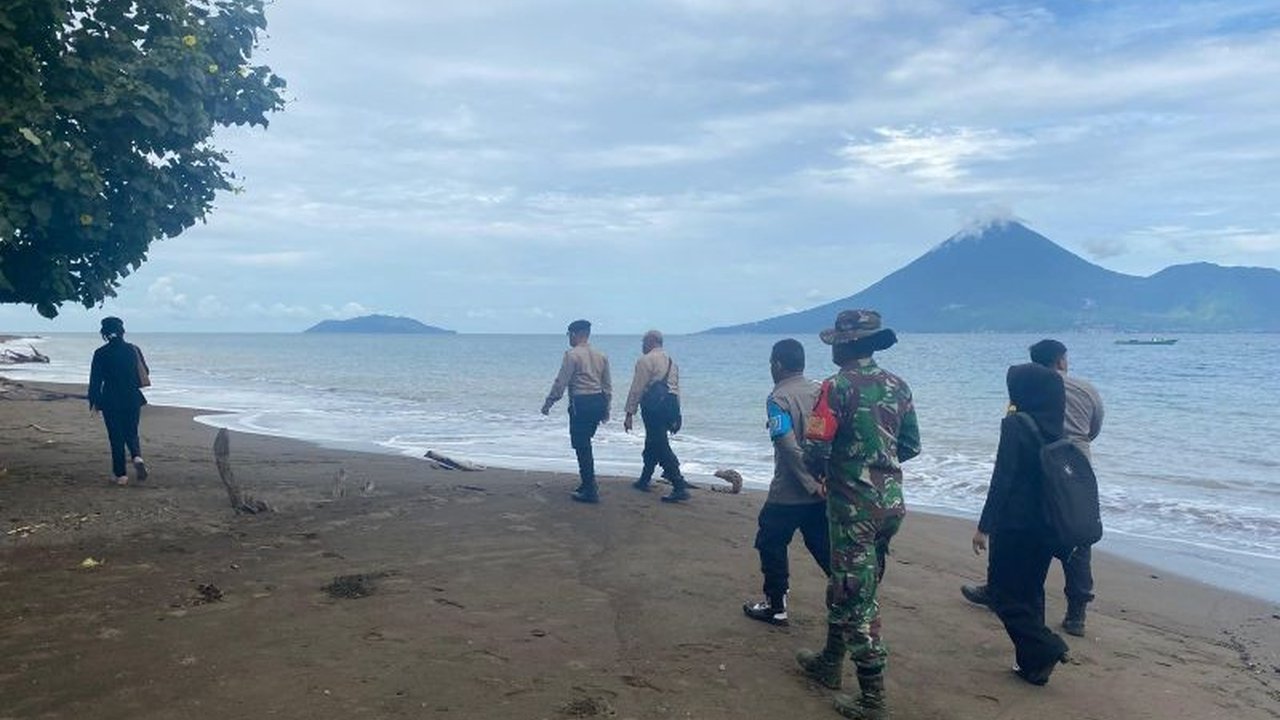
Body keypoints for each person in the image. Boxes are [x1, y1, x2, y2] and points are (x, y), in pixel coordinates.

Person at [795, 310, 920, 720]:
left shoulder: (835, 387)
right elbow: (910, 446)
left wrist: (832, 472)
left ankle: (872, 700)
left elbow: (816, 446)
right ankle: (830, 661)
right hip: (890, 505)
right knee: (849, 582)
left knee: (857, 597)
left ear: (844, 345)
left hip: (852, 508)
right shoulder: (898, 386)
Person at [962, 338, 1104, 636]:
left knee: (1014, 527)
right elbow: (1095, 427)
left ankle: (996, 587)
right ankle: (1077, 612)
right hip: (1072, 466)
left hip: (1033, 473)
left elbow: (1011, 446)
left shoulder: (1025, 393)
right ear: (1062, 361)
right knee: (1075, 536)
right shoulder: (1085, 389)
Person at [971, 363, 1072, 686]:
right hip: (1047, 523)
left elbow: (1003, 478)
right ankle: (1032, 667)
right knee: (1030, 593)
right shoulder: (1055, 424)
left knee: (1001, 594)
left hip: (1015, 523)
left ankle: (1047, 646)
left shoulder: (1016, 424)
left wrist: (984, 526)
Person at [742, 338, 831, 626]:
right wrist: (825, 479)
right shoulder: (820, 392)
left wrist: (808, 483)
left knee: (770, 541)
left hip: (790, 491)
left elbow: (787, 445)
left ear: (777, 365)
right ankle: (852, 594)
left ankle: (776, 605)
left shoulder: (778, 399)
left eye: (771, 363)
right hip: (822, 487)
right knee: (822, 545)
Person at [542, 319, 612, 504]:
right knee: (585, 442)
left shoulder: (572, 355)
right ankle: (587, 483)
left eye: (569, 335)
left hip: (581, 402)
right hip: (598, 401)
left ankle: (590, 488)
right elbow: (607, 386)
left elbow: (561, 382)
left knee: (582, 446)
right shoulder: (601, 355)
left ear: (574, 334)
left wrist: (549, 402)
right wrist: (606, 409)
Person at [623, 330, 690, 503]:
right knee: (653, 442)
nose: (642, 345)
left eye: (643, 342)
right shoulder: (671, 361)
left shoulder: (645, 360)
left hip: (654, 407)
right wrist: (677, 415)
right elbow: (676, 389)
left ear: (651, 341)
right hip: (671, 405)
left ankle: (678, 483)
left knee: (659, 444)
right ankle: (645, 478)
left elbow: (637, 388)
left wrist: (629, 413)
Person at [87, 316, 149, 486]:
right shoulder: (133, 349)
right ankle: (137, 456)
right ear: (123, 331)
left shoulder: (100, 353)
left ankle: (120, 475)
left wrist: (94, 402)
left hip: (110, 399)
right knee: (131, 431)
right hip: (132, 398)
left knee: (116, 436)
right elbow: (145, 372)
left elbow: (95, 380)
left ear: (104, 333)